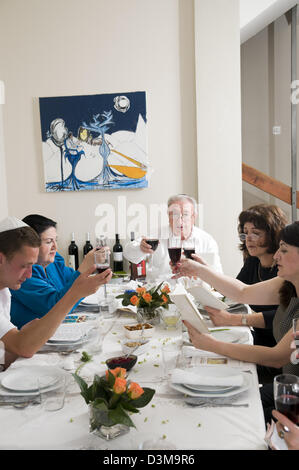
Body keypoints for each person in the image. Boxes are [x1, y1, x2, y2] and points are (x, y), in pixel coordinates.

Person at [172, 221, 299, 379]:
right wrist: (200, 270)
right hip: (283, 376)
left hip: (290, 389)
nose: (276, 255)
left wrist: (211, 345)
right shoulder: (288, 283)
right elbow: (242, 292)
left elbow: (276, 357)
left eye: (284, 250)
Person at [0, 216, 112, 366]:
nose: (29, 275)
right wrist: (75, 293)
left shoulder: (5, 289)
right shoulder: (14, 285)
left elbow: (11, 349)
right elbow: (23, 347)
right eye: (24, 266)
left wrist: (25, 337)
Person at [205, 205, 287, 384]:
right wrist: (205, 273)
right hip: (256, 337)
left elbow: (281, 315)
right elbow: (234, 291)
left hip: (276, 347)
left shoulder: (286, 270)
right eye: (245, 232)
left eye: (255, 233)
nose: (248, 239)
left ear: (273, 234)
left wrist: (236, 319)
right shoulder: (253, 262)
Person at [10, 214, 102, 329]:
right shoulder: (22, 275)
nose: (55, 247)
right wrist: (84, 266)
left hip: (58, 330)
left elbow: (72, 279)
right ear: (30, 244)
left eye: (55, 240)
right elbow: (54, 308)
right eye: (49, 242)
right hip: (33, 339)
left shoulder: (53, 263)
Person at [123, 194, 223, 280]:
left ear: (194, 217)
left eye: (185, 214)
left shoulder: (207, 240)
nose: (180, 220)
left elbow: (218, 276)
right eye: (174, 214)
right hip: (161, 297)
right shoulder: (155, 235)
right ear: (168, 216)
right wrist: (140, 248)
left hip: (197, 298)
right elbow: (128, 254)